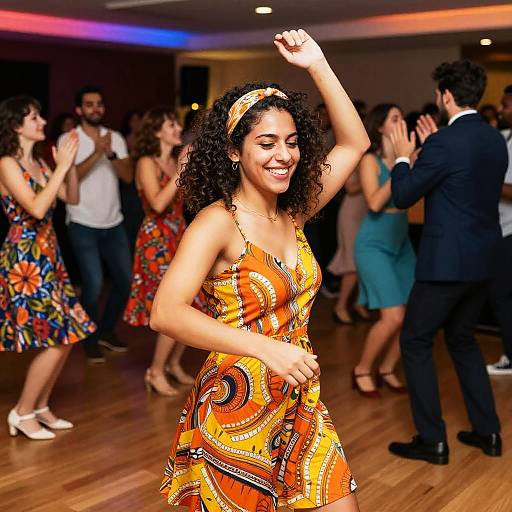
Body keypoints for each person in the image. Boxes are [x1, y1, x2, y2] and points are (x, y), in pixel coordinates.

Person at [151, 29, 369, 511]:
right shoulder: (216, 222)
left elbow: (354, 142)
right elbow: (165, 312)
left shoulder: (295, 209)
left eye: (291, 143)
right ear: (234, 151)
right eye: (267, 143)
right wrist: (264, 347)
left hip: (299, 401)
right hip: (235, 405)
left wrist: (317, 65)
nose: (284, 155)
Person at [388, 60, 506, 464]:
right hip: (484, 260)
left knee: (415, 341)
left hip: (446, 264)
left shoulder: (443, 144)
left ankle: (432, 440)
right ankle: (488, 433)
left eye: (439, 94)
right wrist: (435, 147)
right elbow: (463, 180)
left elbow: (403, 196)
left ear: (447, 96)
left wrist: (404, 157)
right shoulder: (494, 139)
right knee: (462, 339)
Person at [0, 96, 95, 440]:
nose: (43, 121)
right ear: (15, 125)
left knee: (69, 334)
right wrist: (60, 168)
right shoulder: (7, 164)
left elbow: (71, 199)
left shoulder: (39, 163)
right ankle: (22, 412)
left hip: (48, 254)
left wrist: (65, 168)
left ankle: (39, 407)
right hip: (24, 259)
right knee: (58, 336)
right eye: (35, 117)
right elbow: (38, 208)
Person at [124, 106, 205, 396]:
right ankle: (155, 371)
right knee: (174, 306)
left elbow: (187, 201)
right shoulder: (147, 162)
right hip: (155, 239)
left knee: (194, 300)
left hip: (178, 234)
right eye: (171, 124)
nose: (177, 129)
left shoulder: (173, 161)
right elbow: (157, 204)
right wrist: (181, 171)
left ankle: (172, 364)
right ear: (157, 131)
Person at [62, 85, 133, 363]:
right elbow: (71, 178)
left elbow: (127, 177)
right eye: (89, 104)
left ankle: (106, 330)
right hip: (82, 221)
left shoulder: (115, 138)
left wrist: (111, 153)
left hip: (113, 221)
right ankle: (89, 339)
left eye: (99, 104)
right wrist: (96, 152)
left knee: (124, 281)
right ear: (79, 110)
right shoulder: (69, 139)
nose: (96, 109)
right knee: (91, 284)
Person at [352, 104, 415, 397]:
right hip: (373, 245)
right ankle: (362, 369)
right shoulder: (370, 161)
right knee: (393, 317)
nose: (401, 121)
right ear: (380, 127)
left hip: (401, 244)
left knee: (413, 315)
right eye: (394, 118)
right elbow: (375, 202)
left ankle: (388, 368)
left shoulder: (407, 160)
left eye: (401, 117)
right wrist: (402, 163)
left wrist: (408, 162)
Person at [487, 85, 512, 375]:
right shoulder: (502, 137)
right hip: (498, 229)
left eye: (506, 104)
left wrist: (485, 180)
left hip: (509, 233)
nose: (502, 109)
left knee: (502, 295)